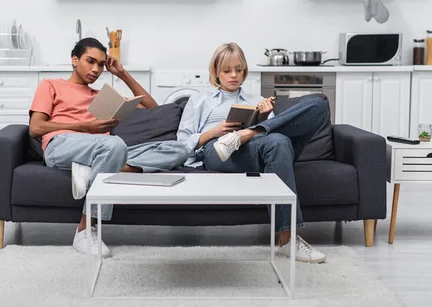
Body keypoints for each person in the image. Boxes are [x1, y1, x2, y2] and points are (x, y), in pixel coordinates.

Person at [29, 38, 188, 257]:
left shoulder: (101, 96)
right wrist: (84, 126)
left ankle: (96, 169)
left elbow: (154, 109)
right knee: (113, 144)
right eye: (90, 61)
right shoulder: (51, 85)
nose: (96, 69)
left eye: (101, 65)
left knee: (178, 150)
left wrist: (122, 74)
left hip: (105, 150)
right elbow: (35, 128)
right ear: (74, 60)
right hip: (62, 144)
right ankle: (85, 230)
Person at [176, 42, 328, 263]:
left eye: (238, 69)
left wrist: (264, 120)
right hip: (216, 151)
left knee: (316, 107)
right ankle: (287, 239)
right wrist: (213, 132)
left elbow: (275, 137)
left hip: (256, 147)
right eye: (227, 70)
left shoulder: (257, 101)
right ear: (216, 72)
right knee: (276, 140)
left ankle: (247, 133)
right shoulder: (199, 101)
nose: (233, 75)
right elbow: (182, 143)